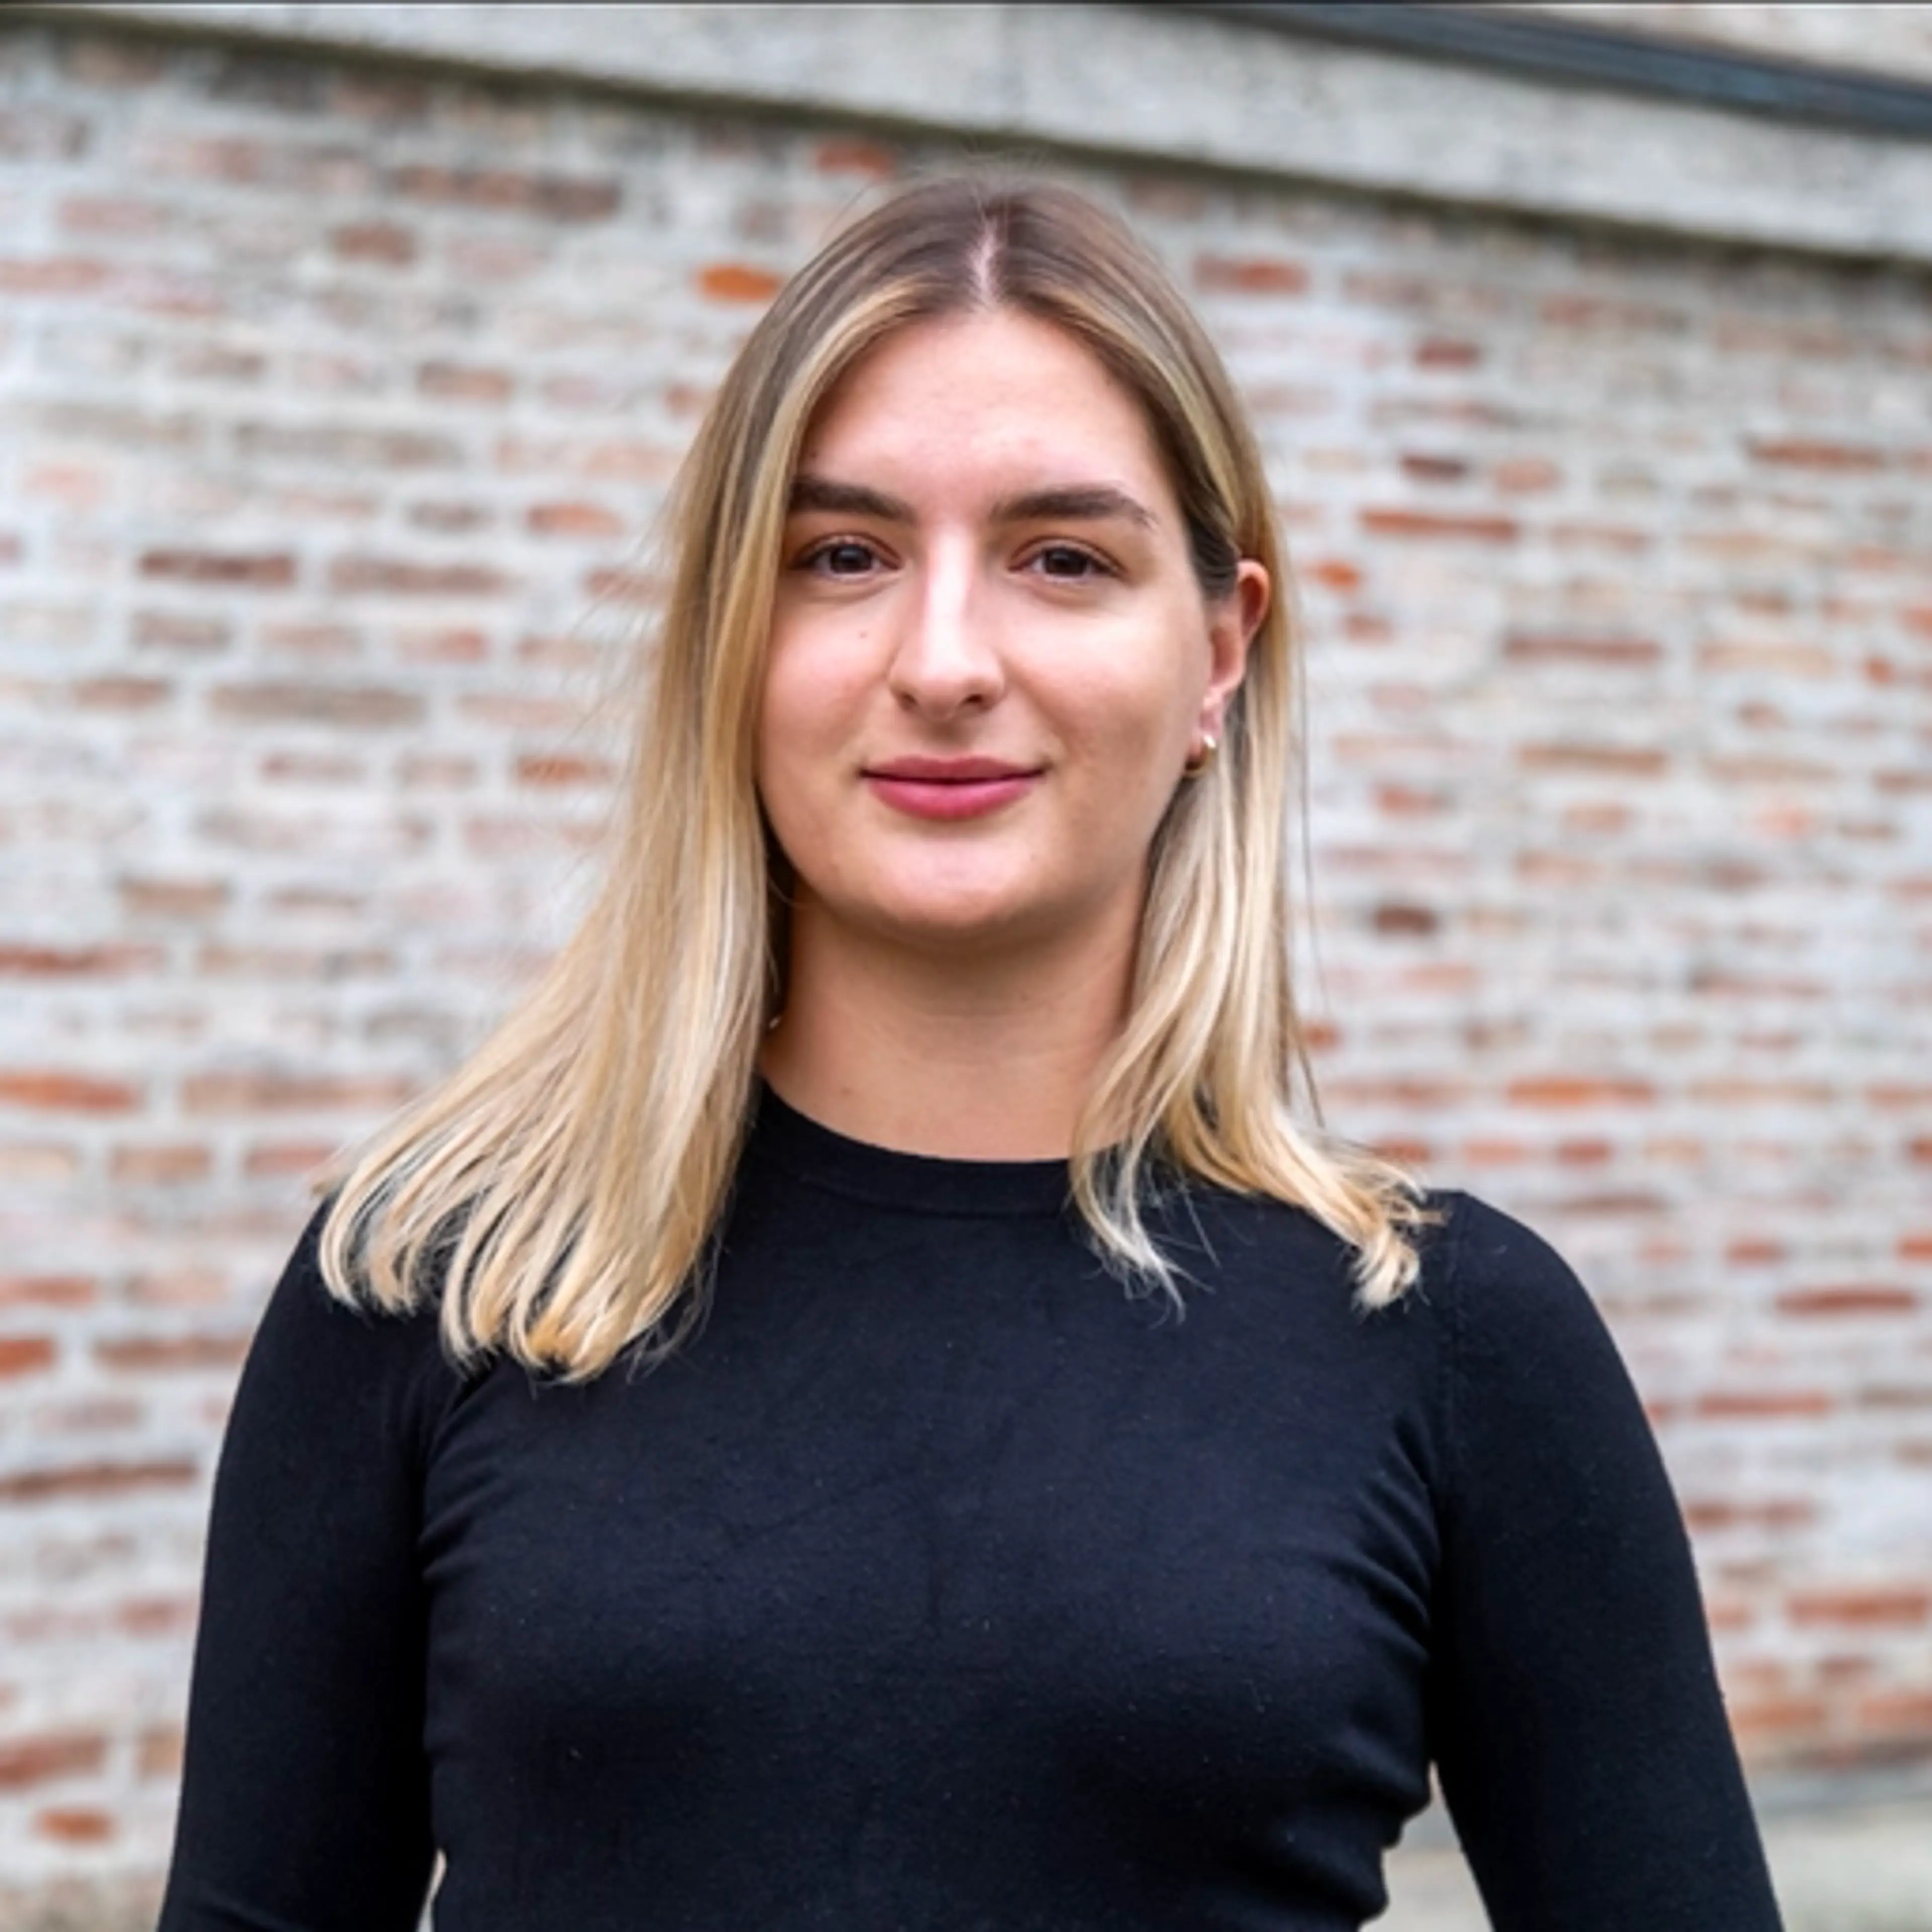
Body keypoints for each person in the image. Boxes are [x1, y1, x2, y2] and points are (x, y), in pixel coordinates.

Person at [157, 175, 1783, 1930]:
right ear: (732, 637)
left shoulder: (1449, 1341)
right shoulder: (429, 1286)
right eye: (842, 557)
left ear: (1218, 652)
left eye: (1062, 559)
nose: (943, 663)